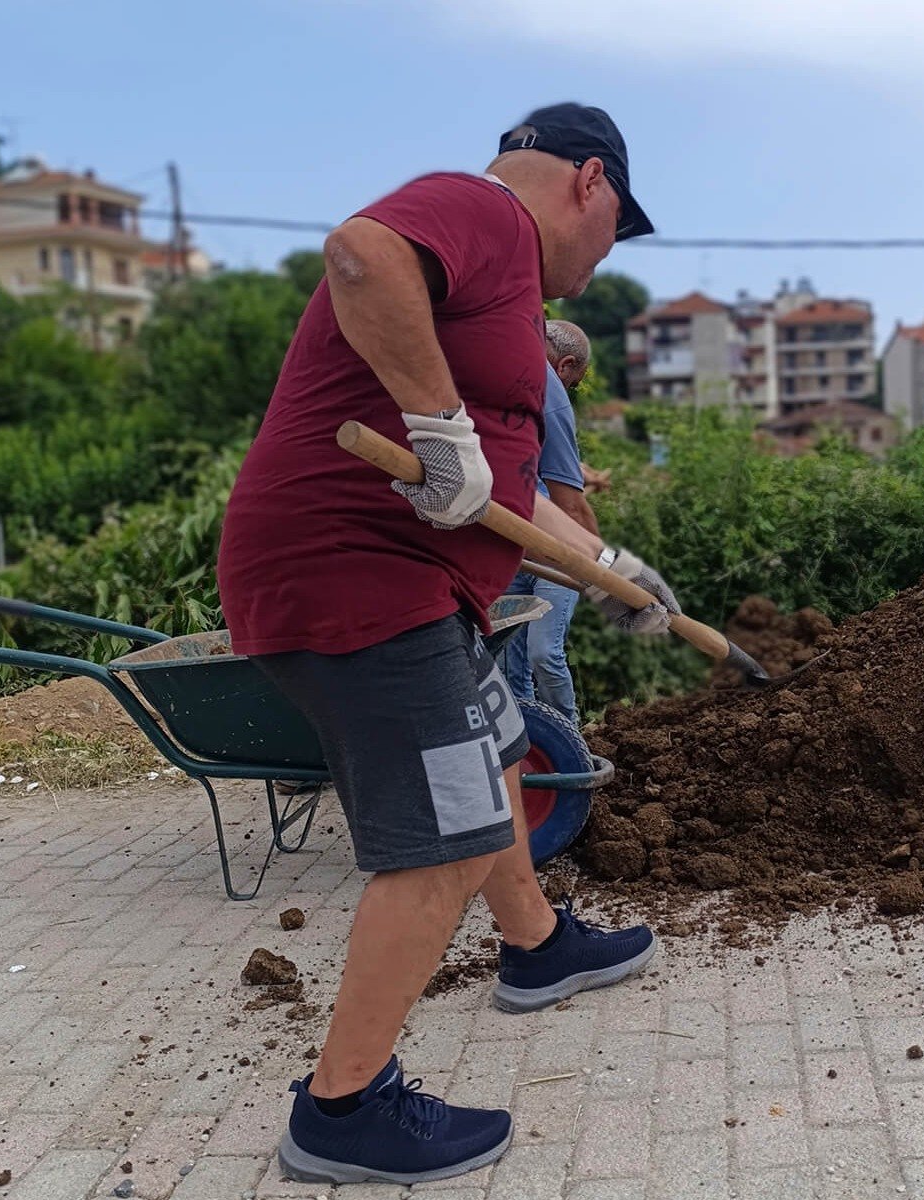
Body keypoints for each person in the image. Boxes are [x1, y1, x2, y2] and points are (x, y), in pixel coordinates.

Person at [216, 103, 679, 1188]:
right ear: (589, 182)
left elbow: (502, 491)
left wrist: (612, 572)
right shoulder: (481, 212)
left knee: (498, 748)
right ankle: (342, 1111)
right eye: (617, 229)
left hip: (414, 584)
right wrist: (436, 422)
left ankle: (538, 945)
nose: (601, 260)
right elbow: (361, 252)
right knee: (448, 833)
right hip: (360, 578)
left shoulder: (503, 297)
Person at [501, 319, 597, 725]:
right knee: (509, 662)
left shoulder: (502, 366)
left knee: (543, 652)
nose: (566, 394)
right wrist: (609, 571)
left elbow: (565, 489)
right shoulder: (545, 385)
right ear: (566, 366)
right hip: (514, 546)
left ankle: (568, 736)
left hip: (553, 551)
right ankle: (529, 746)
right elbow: (572, 507)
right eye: (572, 383)